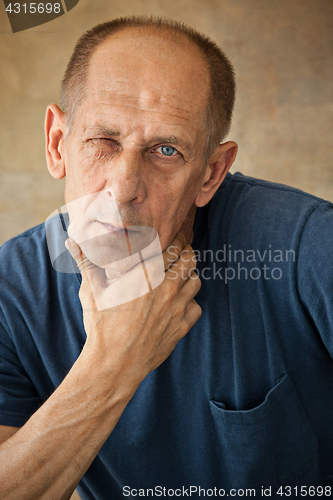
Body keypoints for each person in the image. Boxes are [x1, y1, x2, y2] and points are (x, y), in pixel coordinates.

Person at [0, 15, 332, 500]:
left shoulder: (307, 246)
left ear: (211, 173)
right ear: (58, 144)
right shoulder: (12, 291)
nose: (123, 187)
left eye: (165, 150)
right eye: (103, 141)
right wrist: (114, 361)